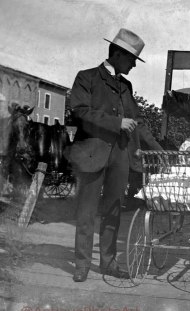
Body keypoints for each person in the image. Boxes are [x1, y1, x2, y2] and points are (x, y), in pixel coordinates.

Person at [67, 28, 146, 282]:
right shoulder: (86, 77)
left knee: (113, 211)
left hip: (119, 157)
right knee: (86, 211)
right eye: (132, 59)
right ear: (119, 54)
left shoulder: (126, 86)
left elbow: (136, 122)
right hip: (91, 154)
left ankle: (109, 262)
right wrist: (117, 123)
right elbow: (79, 111)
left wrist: (157, 150)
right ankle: (82, 264)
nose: (134, 65)